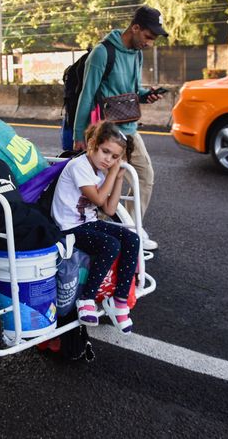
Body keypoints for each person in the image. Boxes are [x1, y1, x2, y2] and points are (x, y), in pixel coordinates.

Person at [72, 5, 168, 251]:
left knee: (145, 176)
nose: (149, 43)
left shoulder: (137, 53)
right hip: (106, 133)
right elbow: (86, 95)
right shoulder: (103, 53)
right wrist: (79, 136)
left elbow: (132, 91)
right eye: (148, 36)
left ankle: (133, 228)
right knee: (106, 186)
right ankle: (98, 234)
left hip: (130, 129)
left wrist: (147, 96)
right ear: (135, 28)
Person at [52, 121, 140, 334]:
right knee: (110, 245)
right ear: (92, 144)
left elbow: (109, 209)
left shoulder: (103, 170)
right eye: (105, 151)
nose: (108, 159)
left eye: (114, 157)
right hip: (68, 227)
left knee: (132, 239)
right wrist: (113, 172)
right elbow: (100, 199)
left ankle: (119, 302)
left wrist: (118, 177)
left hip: (87, 223)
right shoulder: (79, 166)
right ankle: (86, 299)